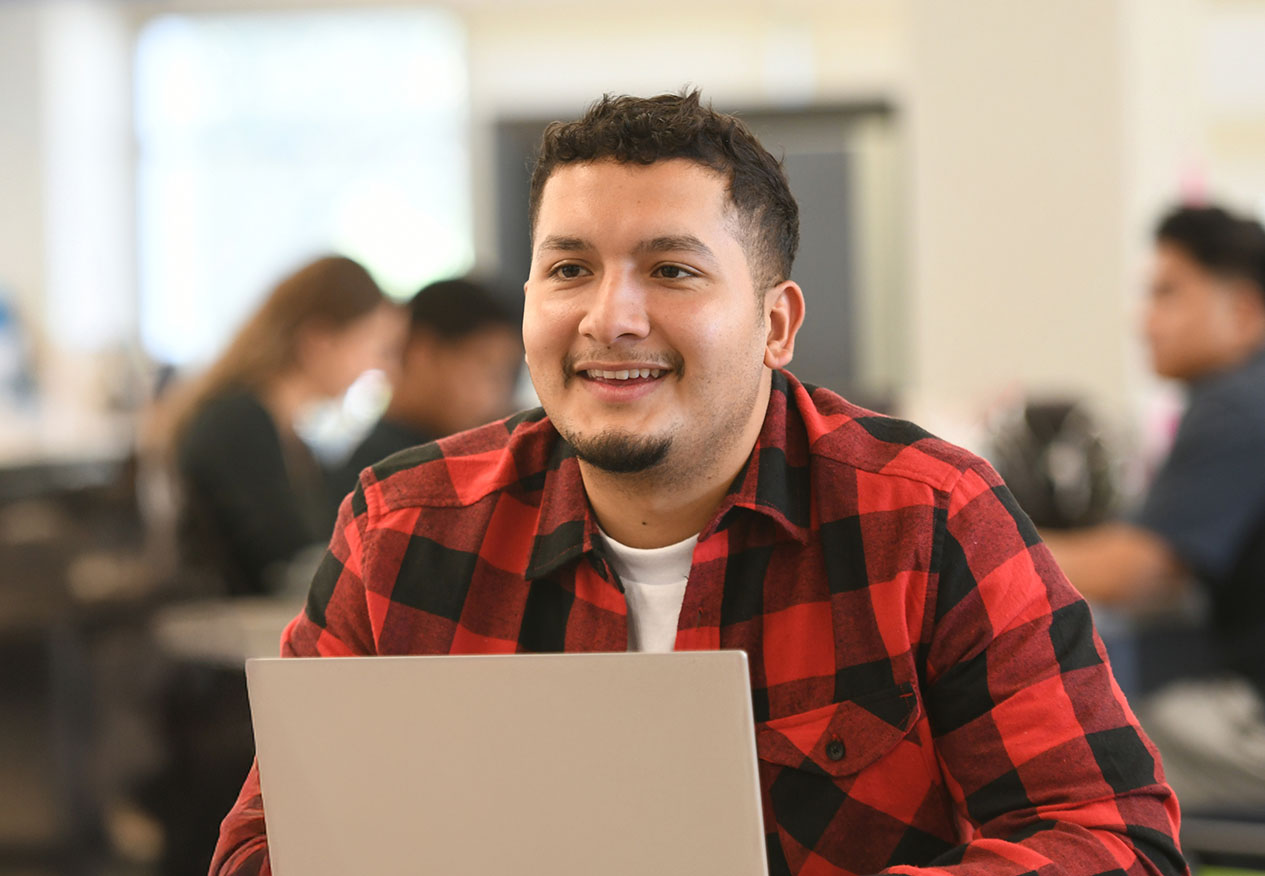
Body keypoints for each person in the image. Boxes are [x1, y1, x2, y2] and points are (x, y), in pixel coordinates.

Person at [211, 92, 1183, 876]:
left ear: (774, 325)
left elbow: (1112, 840)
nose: (608, 317)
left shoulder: (928, 522)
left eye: (670, 270)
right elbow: (264, 845)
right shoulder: (402, 531)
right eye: (568, 269)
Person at [1044, 205, 1265, 809]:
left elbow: (1133, 571)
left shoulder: (1240, 405)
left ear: (1243, 311)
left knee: (1095, 749)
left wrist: (981, 539)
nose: (1146, 321)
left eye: (1168, 294)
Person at [167, 254, 405, 597]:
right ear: (320, 341)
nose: (379, 368)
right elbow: (284, 566)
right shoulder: (238, 423)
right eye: (374, 346)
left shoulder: (286, 435)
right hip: (232, 635)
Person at [328, 276, 522, 511]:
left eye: (507, 377)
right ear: (423, 352)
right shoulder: (384, 483)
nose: (498, 395)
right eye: (489, 369)